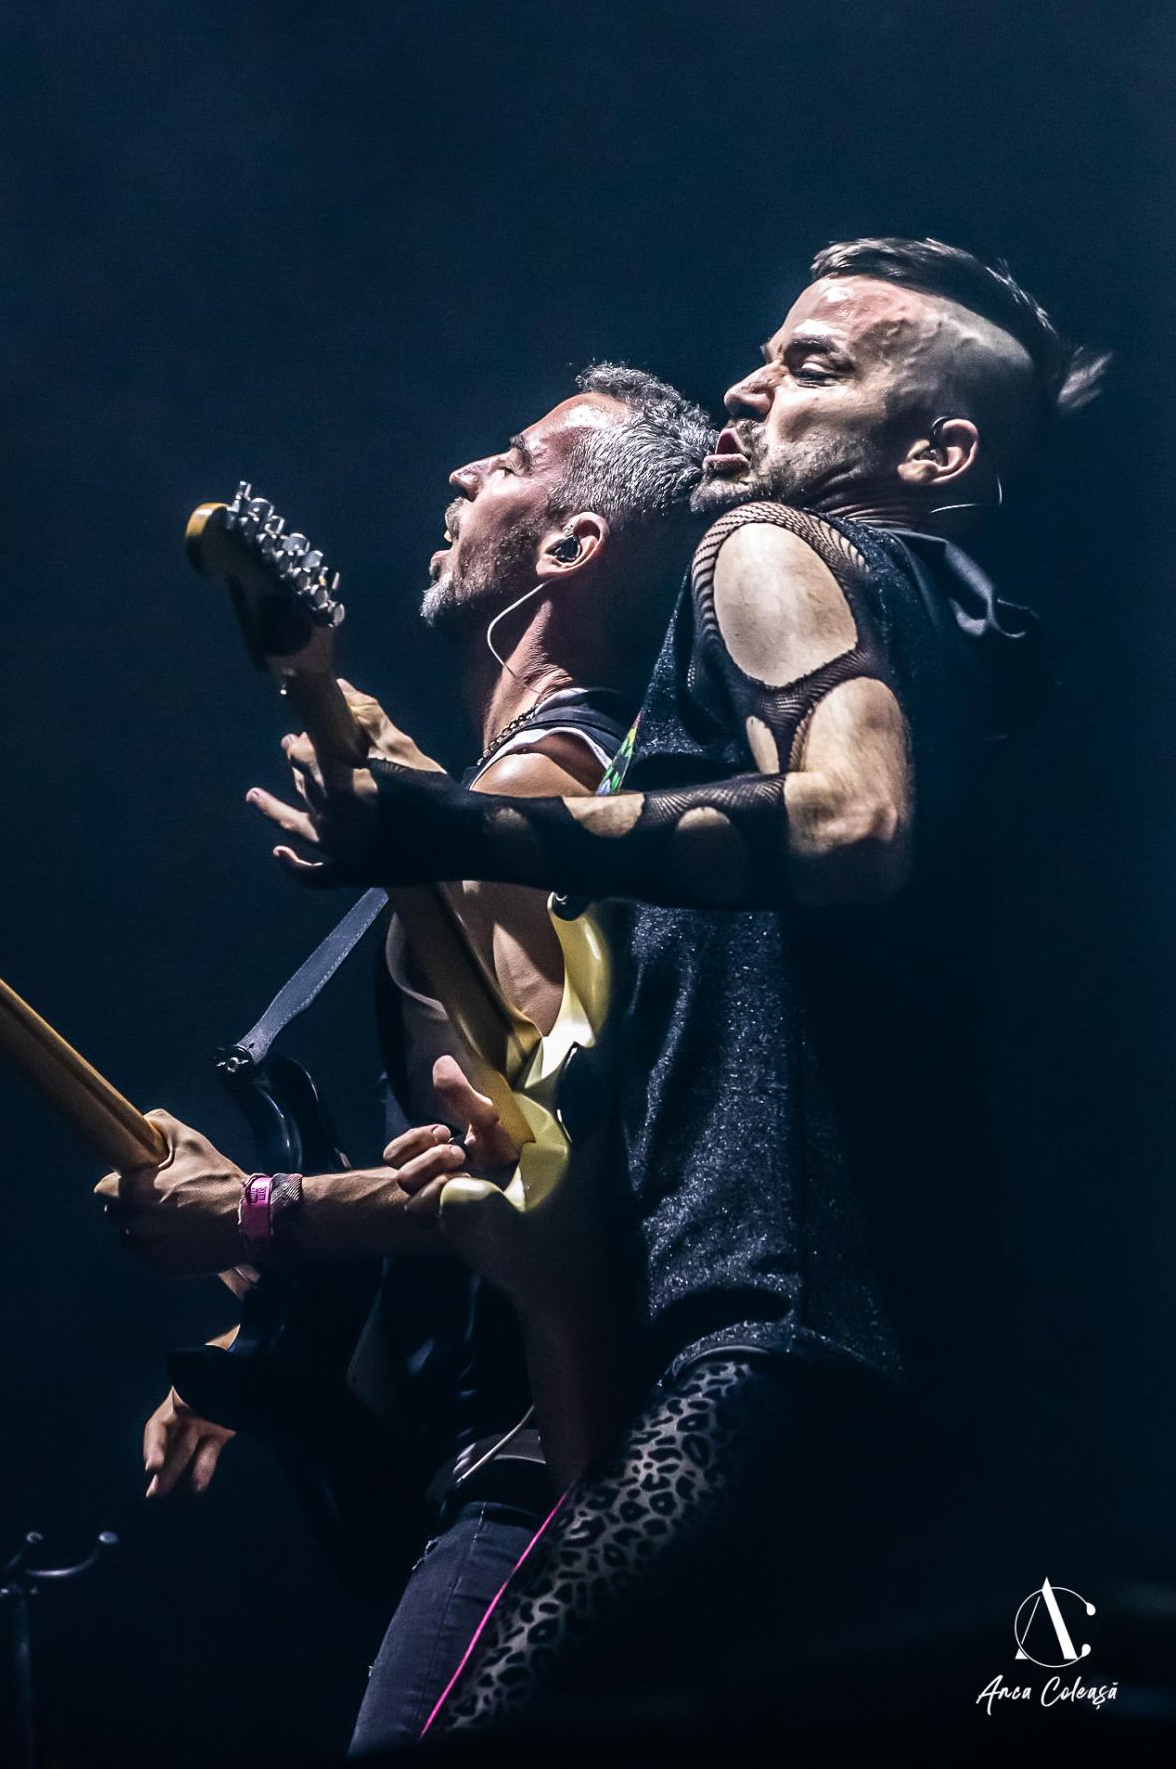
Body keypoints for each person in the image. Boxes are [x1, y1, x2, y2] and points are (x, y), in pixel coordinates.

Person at [247, 238, 1106, 1733]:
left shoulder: (767, 543)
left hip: (770, 1351)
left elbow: (850, 823)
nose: (749, 389)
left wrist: (444, 825)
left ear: (934, 452)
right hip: (932, 1396)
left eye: (813, 368)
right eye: (765, 356)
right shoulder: (964, 647)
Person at [99, 366, 714, 1750]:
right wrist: (275, 1320)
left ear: (572, 545)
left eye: (516, 459)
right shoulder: (578, 784)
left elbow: (553, 1175)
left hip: (554, 1463)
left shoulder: (542, 789)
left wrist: (258, 1211)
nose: (462, 474)